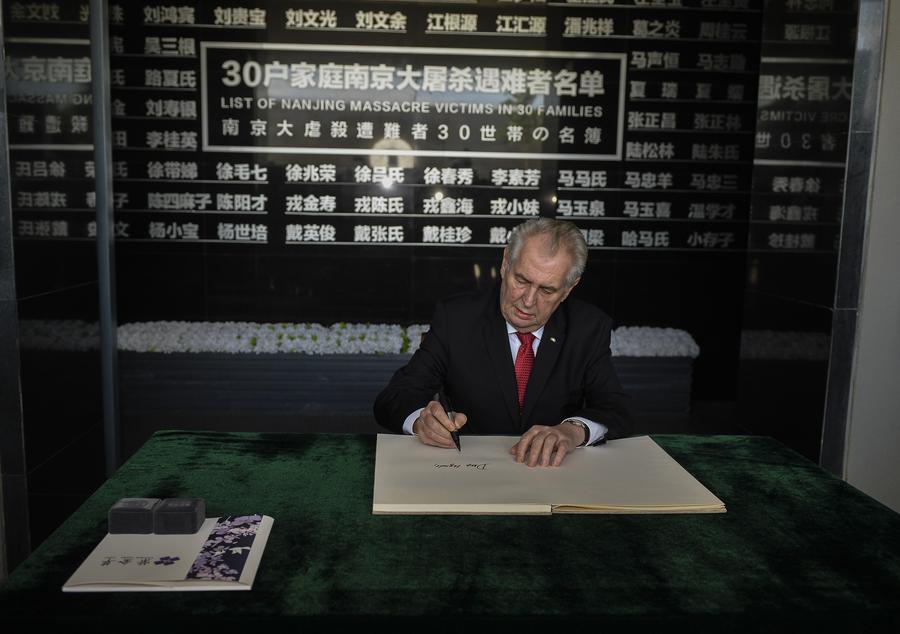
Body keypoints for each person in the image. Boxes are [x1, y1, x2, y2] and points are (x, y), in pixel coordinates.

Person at [374, 218, 633, 467]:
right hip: (470, 470)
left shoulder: (588, 328)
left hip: (552, 472)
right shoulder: (456, 319)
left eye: (547, 290)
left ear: (568, 289)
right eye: (521, 280)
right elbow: (394, 398)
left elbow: (617, 409)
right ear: (505, 262)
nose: (528, 301)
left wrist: (573, 431)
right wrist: (421, 422)